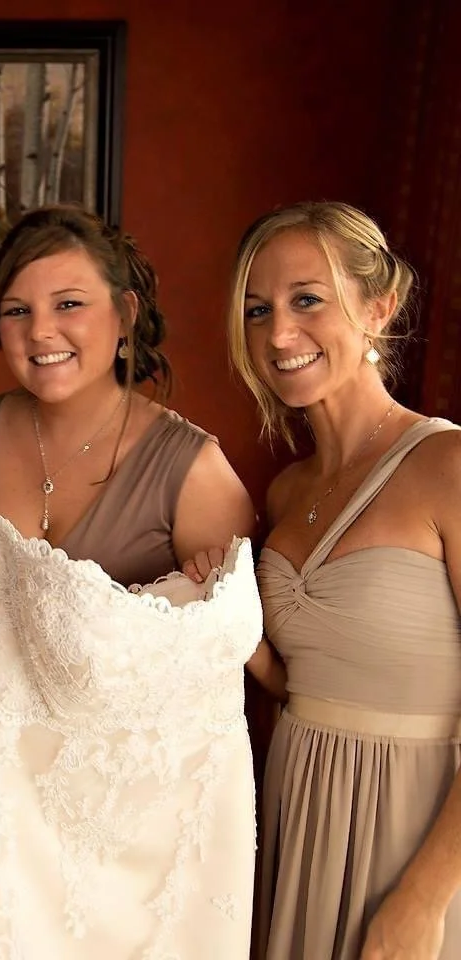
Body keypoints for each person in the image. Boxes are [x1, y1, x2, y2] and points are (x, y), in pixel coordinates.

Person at [0, 205, 284, 958]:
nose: (41, 332)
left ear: (124, 315)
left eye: (68, 304)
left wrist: (219, 609)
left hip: (119, 857)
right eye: (16, 311)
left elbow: (230, 689)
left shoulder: (193, 470)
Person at [223, 200, 461, 959]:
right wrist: (223, 621)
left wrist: (425, 898)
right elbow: (301, 684)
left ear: (378, 308)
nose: (278, 334)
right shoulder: (284, 493)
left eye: (307, 300)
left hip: (416, 834)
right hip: (300, 812)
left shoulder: (448, 466)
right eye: (258, 310)